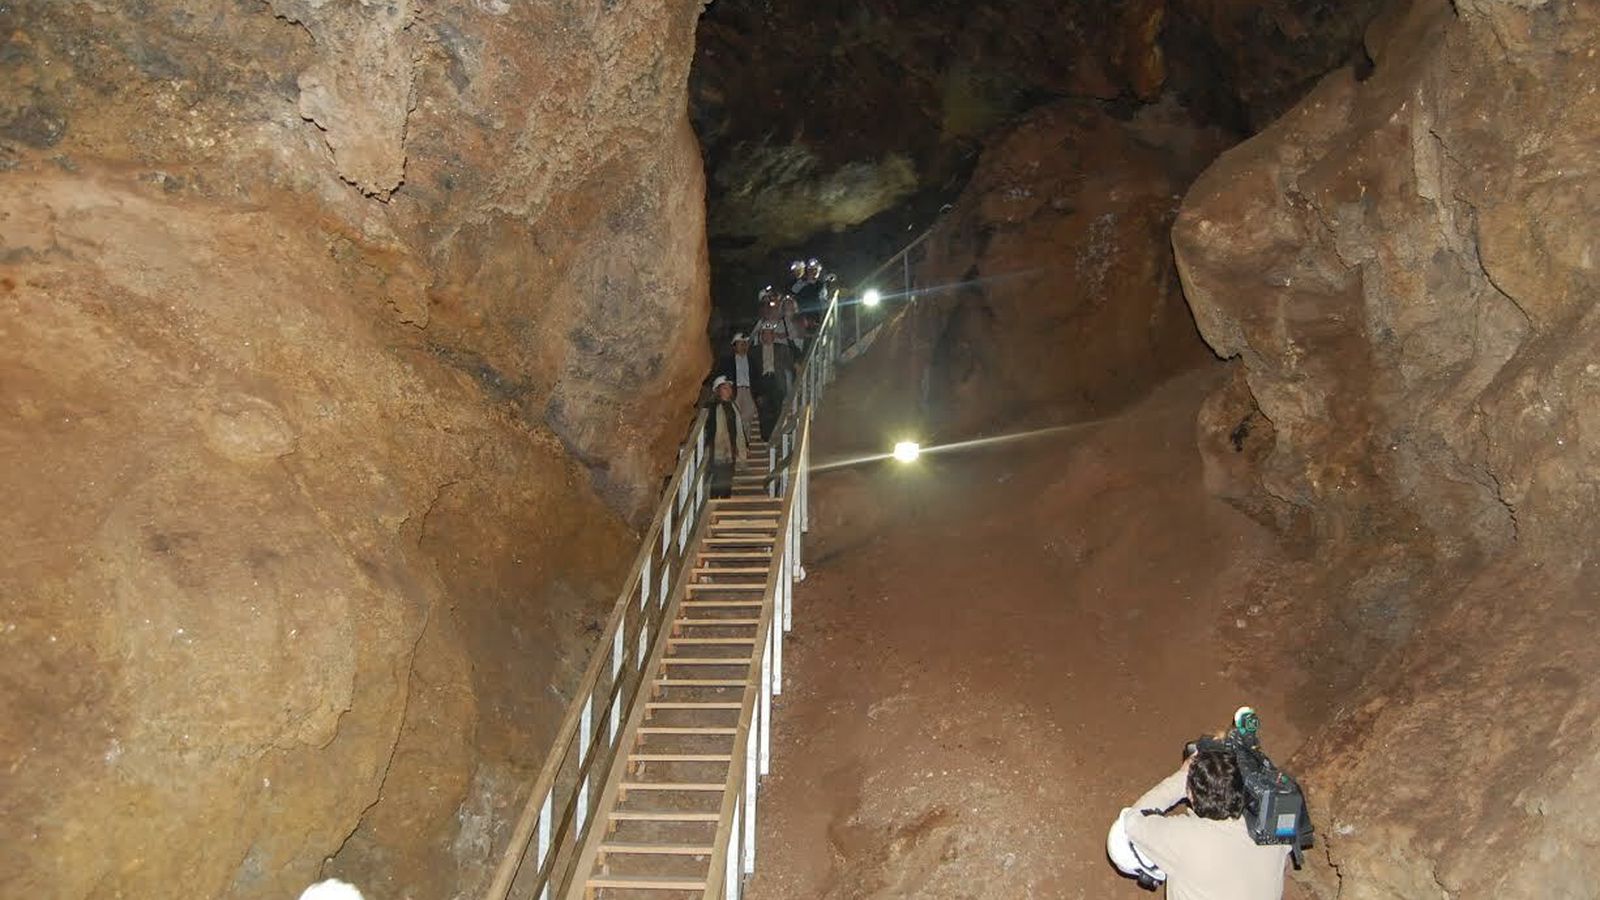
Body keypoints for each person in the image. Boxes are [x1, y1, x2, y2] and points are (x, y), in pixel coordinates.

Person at [1109, 749, 1290, 900]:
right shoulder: (1272, 827)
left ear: (1191, 795)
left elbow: (1132, 821)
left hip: (1189, 846)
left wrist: (1181, 778)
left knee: (1118, 839)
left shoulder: (1185, 837)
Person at [703, 376, 747, 498]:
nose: (728, 390)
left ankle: (723, 501)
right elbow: (708, 430)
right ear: (718, 390)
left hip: (729, 451)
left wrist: (741, 449)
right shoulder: (711, 408)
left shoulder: (733, 407)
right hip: (717, 451)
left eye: (729, 388)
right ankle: (715, 503)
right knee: (718, 480)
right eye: (725, 388)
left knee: (726, 480)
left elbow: (739, 430)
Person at [751, 324, 794, 441]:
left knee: (777, 409)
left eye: (770, 333)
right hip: (762, 382)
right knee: (763, 411)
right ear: (761, 336)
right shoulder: (754, 351)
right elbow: (752, 373)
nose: (767, 336)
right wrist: (756, 393)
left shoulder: (782, 348)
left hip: (776, 381)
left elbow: (791, 365)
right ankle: (766, 438)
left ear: (773, 335)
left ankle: (776, 436)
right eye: (764, 333)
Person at [720, 332, 760, 431]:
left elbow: (757, 377)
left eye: (745, 343)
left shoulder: (753, 360)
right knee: (735, 418)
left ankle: (745, 442)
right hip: (735, 391)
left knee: (748, 417)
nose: (743, 346)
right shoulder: (728, 361)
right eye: (740, 343)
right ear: (734, 346)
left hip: (749, 391)